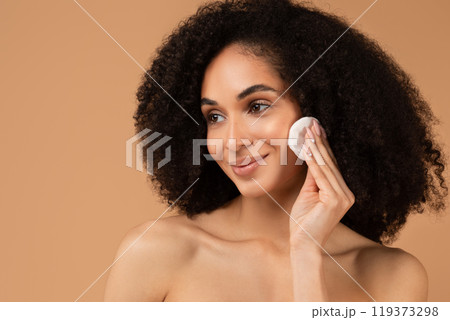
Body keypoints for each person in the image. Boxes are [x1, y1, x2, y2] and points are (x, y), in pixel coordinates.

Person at [104, 0, 448, 301]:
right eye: (215, 116)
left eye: (257, 106)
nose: (232, 141)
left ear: (320, 110)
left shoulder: (392, 276)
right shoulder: (156, 252)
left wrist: (306, 253)